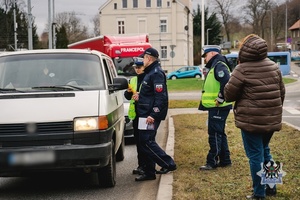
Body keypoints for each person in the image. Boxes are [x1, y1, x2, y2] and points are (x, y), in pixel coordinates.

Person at [224, 34, 285, 200]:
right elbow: (282, 93)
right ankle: (272, 187)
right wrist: (273, 112)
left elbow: (229, 95)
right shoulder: (274, 66)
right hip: (271, 119)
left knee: (255, 156)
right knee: (266, 151)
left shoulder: (242, 69)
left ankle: (259, 193)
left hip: (251, 121)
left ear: (245, 49)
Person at [134, 47, 177, 181]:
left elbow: (161, 97)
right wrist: (141, 96)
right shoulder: (150, 72)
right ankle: (149, 172)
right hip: (144, 114)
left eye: (144, 58)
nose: (142, 60)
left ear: (149, 58)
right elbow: (151, 94)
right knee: (144, 141)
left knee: (147, 141)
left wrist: (153, 114)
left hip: (149, 115)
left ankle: (168, 163)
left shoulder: (156, 73)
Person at [198, 45, 233, 170]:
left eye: (206, 56)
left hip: (218, 106)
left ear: (212, 53)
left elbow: (226, 82)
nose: (205, 59)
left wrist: (220, 98)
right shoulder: (216, 65)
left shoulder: (219, 65)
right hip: (217, 106)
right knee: (220, 133)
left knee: (215, 134)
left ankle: (211, 161)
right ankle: (225, 159)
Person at [124, 56, 146, 175]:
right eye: (135, 67)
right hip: (136, 115)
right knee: (138, 141)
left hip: (145, 114)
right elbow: (127, 97)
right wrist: (128, 92)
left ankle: (147, 166)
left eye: (139, 67)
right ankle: (141, 165)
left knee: (145, 142)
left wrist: (140, 96)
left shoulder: (148, 78)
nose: (137, 69)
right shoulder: (133, 80)